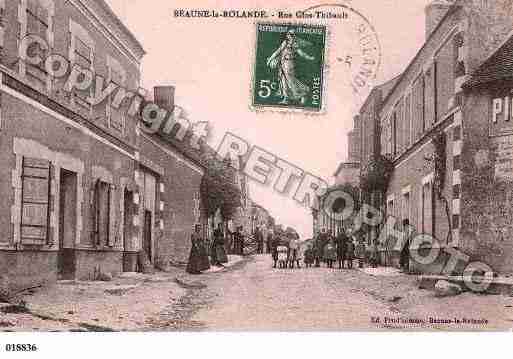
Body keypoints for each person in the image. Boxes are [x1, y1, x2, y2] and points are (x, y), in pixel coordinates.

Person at [266, 29, 316, 105]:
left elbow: (301, 53)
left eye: (292, 35)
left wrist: (309, 57)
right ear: (287, 35)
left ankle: (303, 94)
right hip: (282, 63)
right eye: (289, 34)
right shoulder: (285, 43)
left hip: (289, 64)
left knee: (290, 80)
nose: (290, 36)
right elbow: (278, 51)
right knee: (283, 81)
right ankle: (286, 98)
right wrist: (270, 59)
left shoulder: (295, 44)